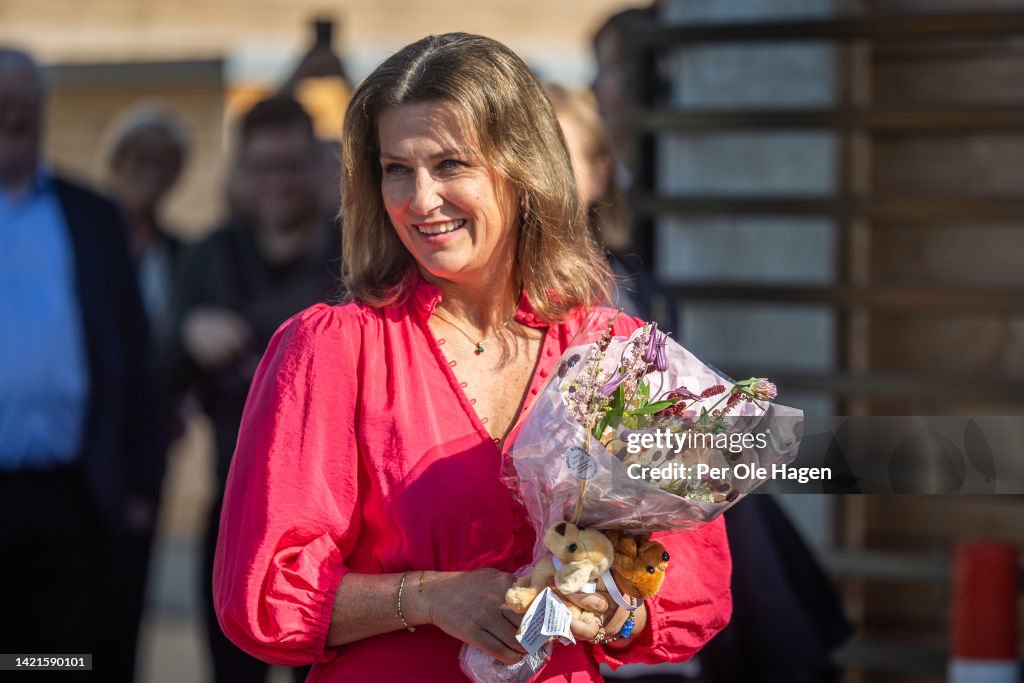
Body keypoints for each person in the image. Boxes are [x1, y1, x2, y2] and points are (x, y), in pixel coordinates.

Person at [212, 33, 730, 682]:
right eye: (396, 168)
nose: (419, 199)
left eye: (450, 164)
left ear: (523, 169)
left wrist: (611, 611)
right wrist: (428, 596)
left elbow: (693, 588)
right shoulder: (333, 348)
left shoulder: (617, 354)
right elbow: (265, 594)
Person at [161, 95, 339, 682]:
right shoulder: (210, 255)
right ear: (242, 171)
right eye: (264, 167)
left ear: (315, 165)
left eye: (291, 165)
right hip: (237, 506)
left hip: (336, 523)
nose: (278, 182)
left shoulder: (351, 255)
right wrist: (188, 333)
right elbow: (156, 376)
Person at [0, 46, 159, 670]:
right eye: (2, 103)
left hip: (72, 494)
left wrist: (141, 480)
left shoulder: (93, 216)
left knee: (59, 663)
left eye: (26, 103)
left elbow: (134, 354)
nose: (13, 115)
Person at [545, 82, 677, 333]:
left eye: (561, 165)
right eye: (528, 163)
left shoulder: (642, 296)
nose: (541, 180)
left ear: (599, 177)